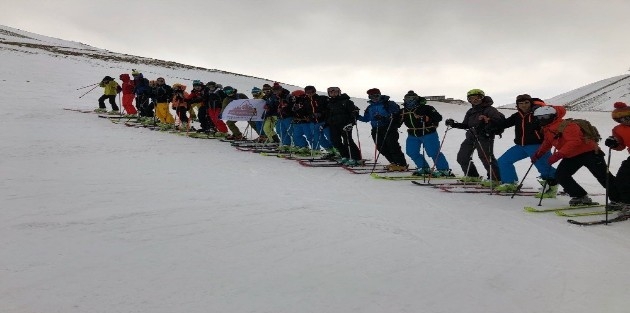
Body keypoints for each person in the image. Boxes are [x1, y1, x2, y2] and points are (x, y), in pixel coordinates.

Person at [531, 105, 619, 206]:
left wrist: (559, 154)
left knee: (603, 177)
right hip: (571, 155)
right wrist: (539, 154)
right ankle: (580, 196)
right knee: (561, 175)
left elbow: (574, 141)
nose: (542, 120)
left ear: (553, 116)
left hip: (590, 153)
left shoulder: (568, 125)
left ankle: (619, 199)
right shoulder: (547, 129)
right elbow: (547, 142)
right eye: (539, 117)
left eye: (546, 117)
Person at [493, 95, 558, 197]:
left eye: (526, 103)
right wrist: (491, 124)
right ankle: (510, 183)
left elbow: (552, 121)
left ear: (530, 103)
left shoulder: (538, 114)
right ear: (517, 105)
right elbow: (504, 124)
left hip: (538, 145)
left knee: (544, 167)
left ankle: (552, 187)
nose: (524, 105)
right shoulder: (517, 115)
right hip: (521, 145)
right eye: (521, 103)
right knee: (504, 161)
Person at [445, 89, 504, 183]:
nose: (475, 100)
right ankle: (472, 176)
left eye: (477, 97)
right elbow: (466, 125)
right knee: (462, 157)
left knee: (486, 157)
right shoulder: (471, 111)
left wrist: (486, 125)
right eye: (471, 98)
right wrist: (453, 124)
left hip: (485, 136)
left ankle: (495, 179)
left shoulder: (490, 109)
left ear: (482, 98)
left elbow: (497, 122)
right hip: (471, 136)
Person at [400, 90, 451, 177]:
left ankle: (444, 170)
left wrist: (427, 118)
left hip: (428, 132)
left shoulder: (426, 108)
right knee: (411, 152)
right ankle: (423, 168)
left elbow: (438, 117)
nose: (410, 101)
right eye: (408, 99)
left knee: (433, 152)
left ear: (417, 99)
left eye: (412, 99)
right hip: (413, 133)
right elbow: (397, 123)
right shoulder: (403, 111)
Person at [357, 88, 408, 171]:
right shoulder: (370, 107)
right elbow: (366, 119)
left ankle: (402, 164)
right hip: (376, 129)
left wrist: (383, 117)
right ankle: (394, 162)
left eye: (376, 95)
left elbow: (395, 113)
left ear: (380, 95)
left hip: (389, 128)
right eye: (371, 96)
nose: (374, 98)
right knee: (381, 147)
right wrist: (356, 116)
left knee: (392, 146)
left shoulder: (389, 104)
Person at [603, 101, 630, 216]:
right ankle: (627, 203)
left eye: (627, 117)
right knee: (622, 179)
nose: (625, 121)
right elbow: (621, 146)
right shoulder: (618, 129)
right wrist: (613, 144)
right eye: (621, 119)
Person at [325, 86, 362, 165]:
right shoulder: (329, 103)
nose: (333, 93)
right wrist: (326, 123)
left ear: (339, 92)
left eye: (335, 92)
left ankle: (356, 158)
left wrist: (351, 123)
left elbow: (353, 112)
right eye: (331, 92)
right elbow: (328, 115)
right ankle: (345, 156)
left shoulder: (346, 101)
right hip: (334, 125)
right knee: (335, 141)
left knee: (348, 141)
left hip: (345, 124)